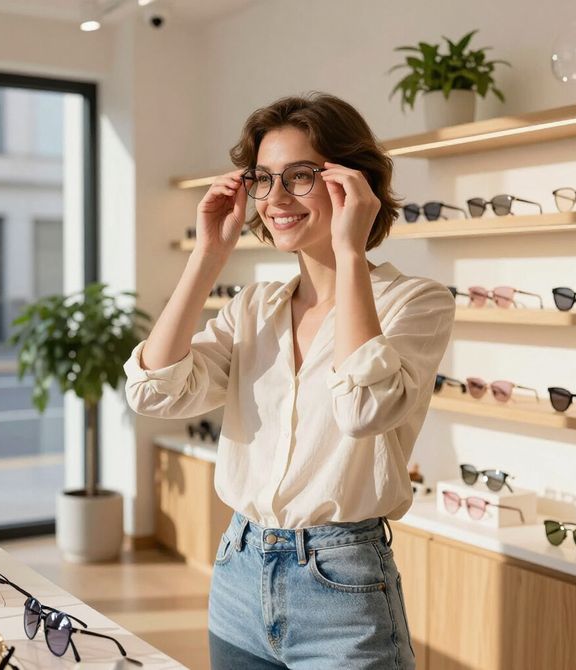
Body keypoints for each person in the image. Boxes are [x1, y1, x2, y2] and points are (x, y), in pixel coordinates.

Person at [124, 92, 455, 669]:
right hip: (238, 569)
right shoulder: (252, 308)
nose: (275, 198)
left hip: (343, 584)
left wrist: (351, 251)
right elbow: (153, 390)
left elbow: (364, 409)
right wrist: (208, 255)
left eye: (300, 176)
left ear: (354, 184)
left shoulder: (414, 302)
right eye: (263, 178)